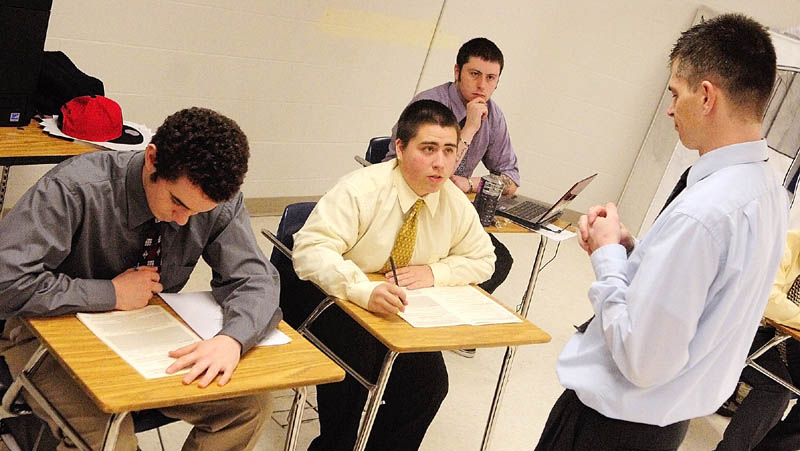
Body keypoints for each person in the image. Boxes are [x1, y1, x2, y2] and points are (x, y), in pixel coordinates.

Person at [535, 13, 789, 450]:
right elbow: (707, 292)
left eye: (676, 93)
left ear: (706, 96)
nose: (670, 108)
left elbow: (643, 360)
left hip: (609, 428)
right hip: (663, 426)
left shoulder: (704, 214)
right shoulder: (767, 188)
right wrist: (638, 252)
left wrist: (608, 259)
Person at [0, 107, 281, 450]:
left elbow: (255, 280)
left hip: (146, 334)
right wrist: (110, 293)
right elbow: (6, 283)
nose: (182, 220)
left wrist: (232, 340)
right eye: (177, 202)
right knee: (113, 442)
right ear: (152, 159)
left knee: (249, 406)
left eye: (197, 212)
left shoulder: (215, 201)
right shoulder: (75, 188)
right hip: (46, 335)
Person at [293, 99, 495, 451]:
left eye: (449, 151)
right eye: (428, 149)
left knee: (429, 387)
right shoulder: (361, 189)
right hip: (335, 299)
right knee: (356, 374)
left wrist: (435, 272)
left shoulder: (453, 201)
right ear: (400, 148)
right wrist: (361, 290)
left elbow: (483, 259)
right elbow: (311, 251)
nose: (440, 162)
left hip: (400, 312)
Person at [715, 230, 800, 450]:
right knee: (776, 388)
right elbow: (770, 300)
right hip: (748, 330)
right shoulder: (788, 243)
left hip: (787, 342)